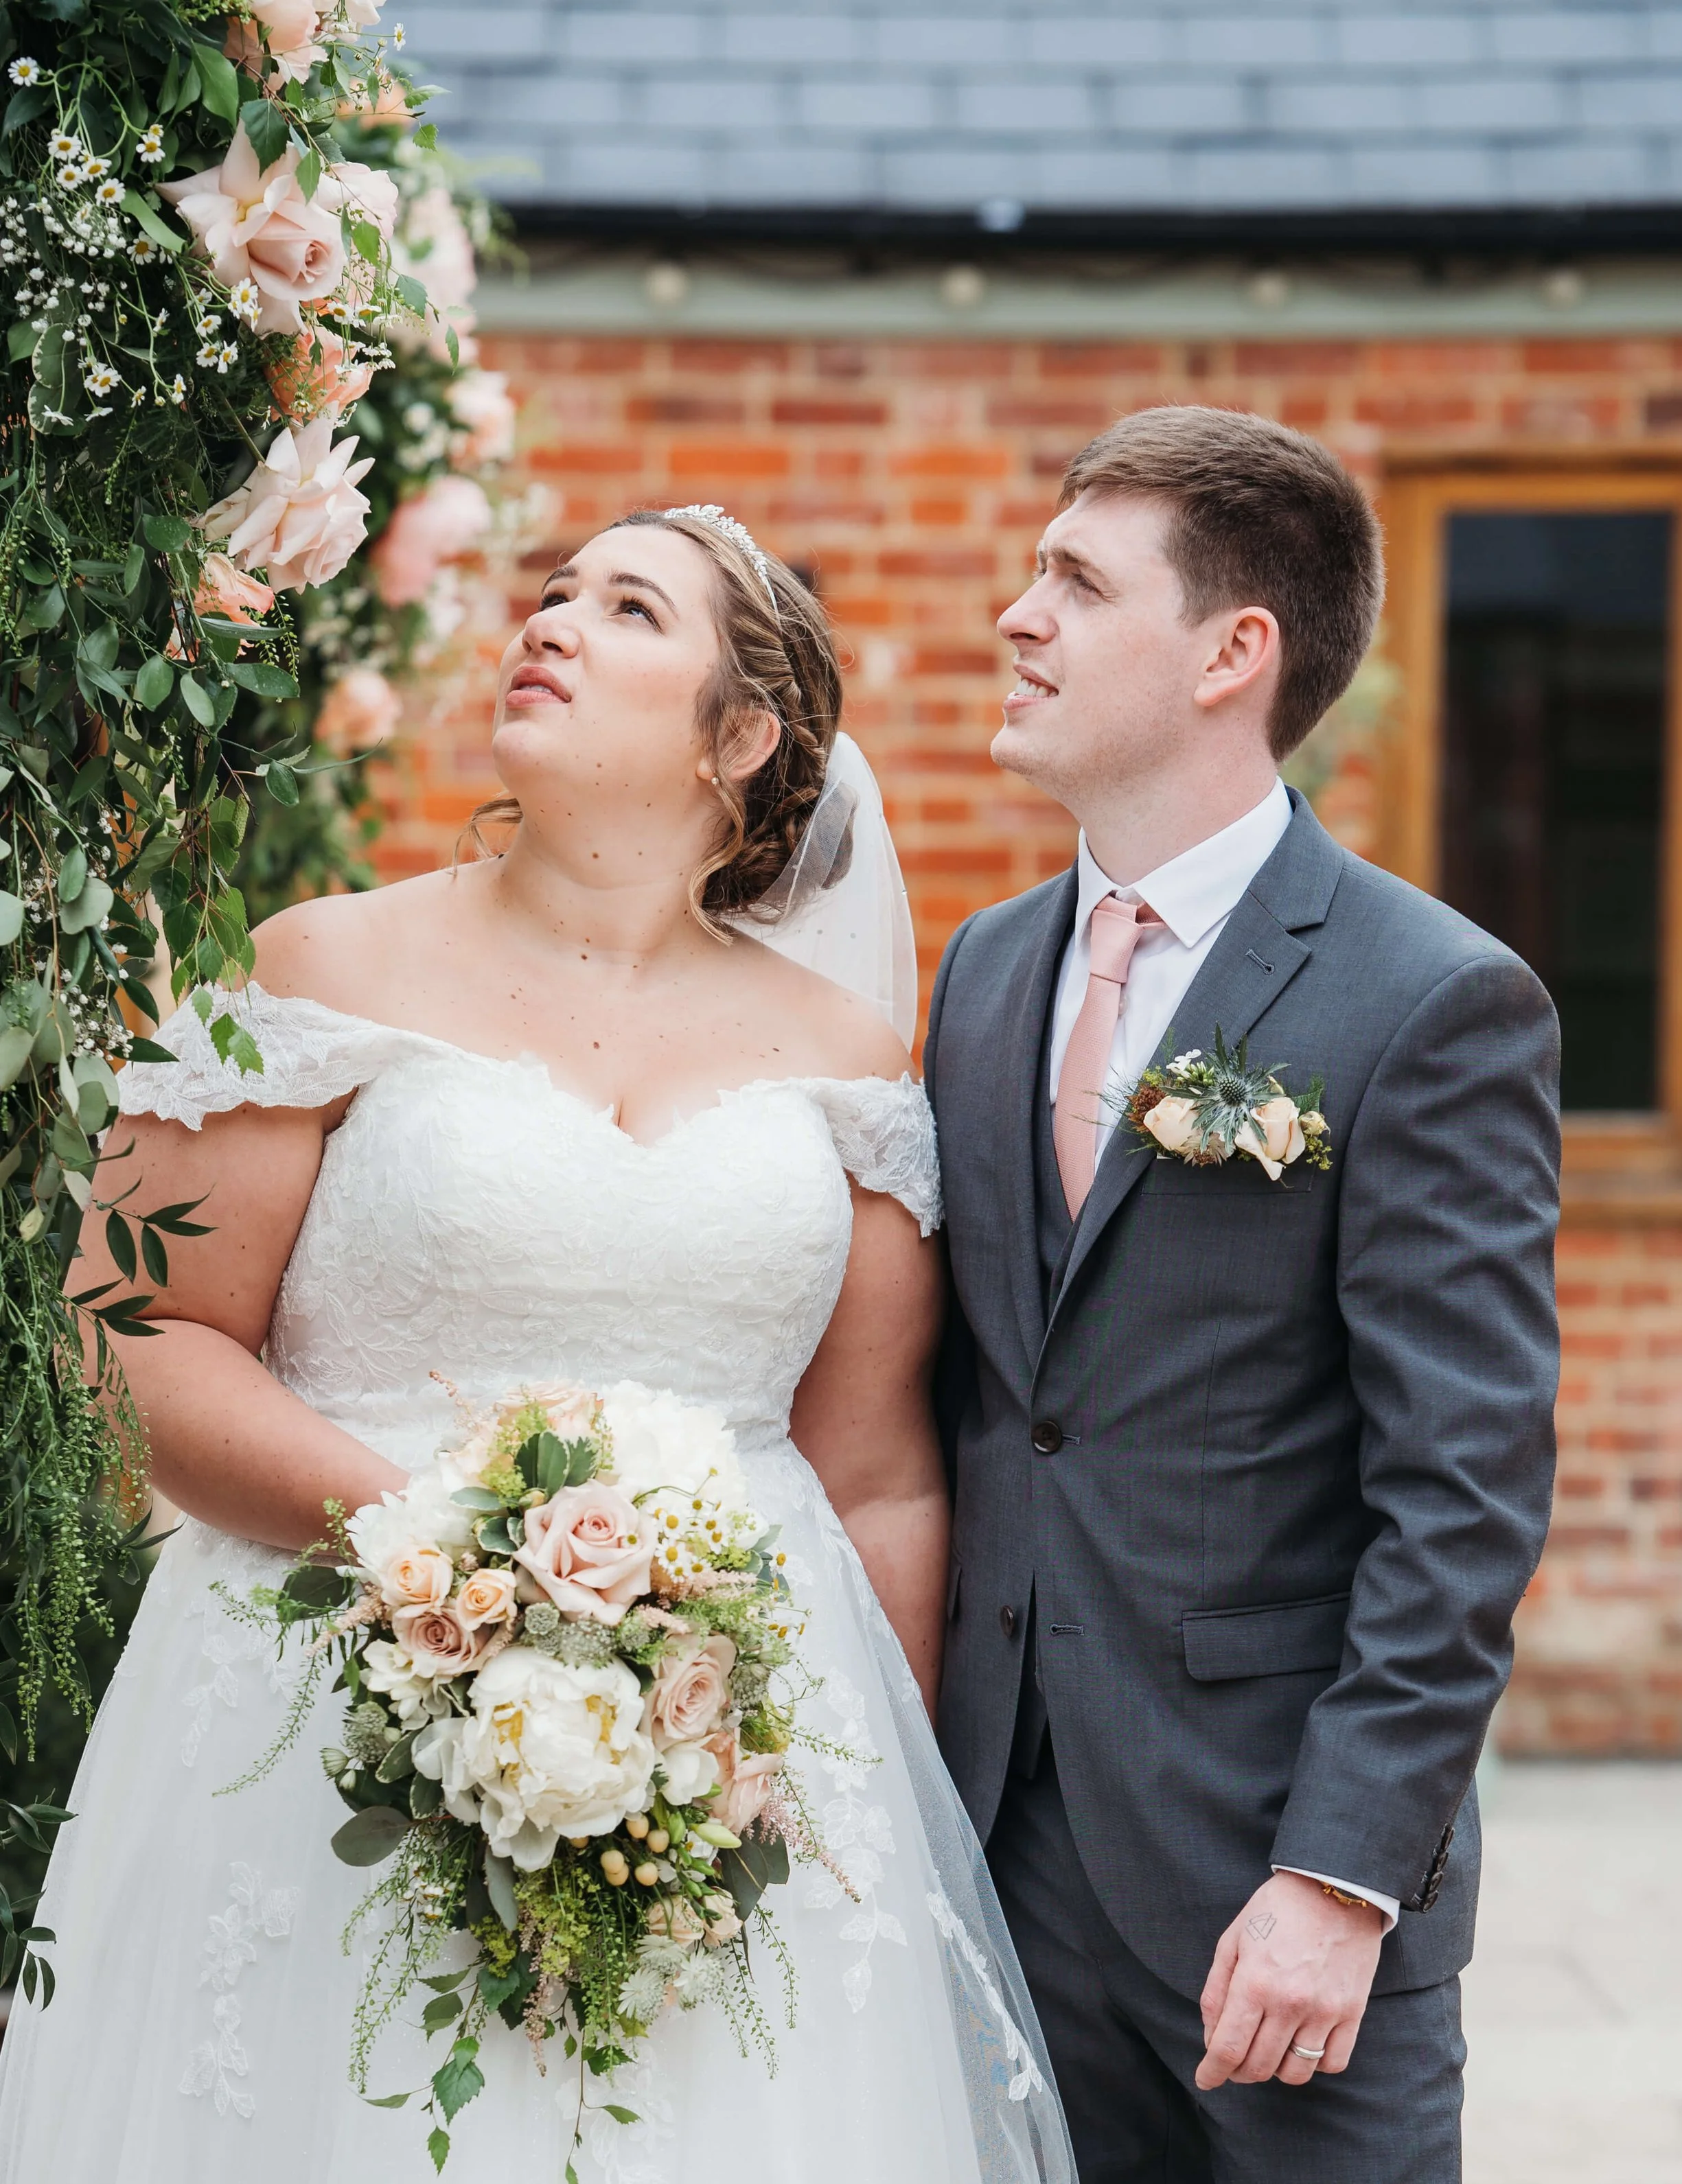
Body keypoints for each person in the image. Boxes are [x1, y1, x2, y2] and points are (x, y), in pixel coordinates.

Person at [0, 507, 1072, 2184]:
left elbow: (874, 1474)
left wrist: (857, 1812)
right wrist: (444, 1568)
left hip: (724, 1762)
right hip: (319, 1716)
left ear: (740, 738)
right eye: (551, 592)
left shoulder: (852, 1062)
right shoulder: (318, 965)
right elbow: (133, 1338)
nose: (551, 621)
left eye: (628, 607)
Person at [927, 406, 1561, 2184]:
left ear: (1232, 651)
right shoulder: (983, 973)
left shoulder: (1430, 1000)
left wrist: (1334, 1874)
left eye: (1073, 579)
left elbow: (1460, 1489)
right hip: (1012, 1849)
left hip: (1276, 1888)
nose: (1014, 616)